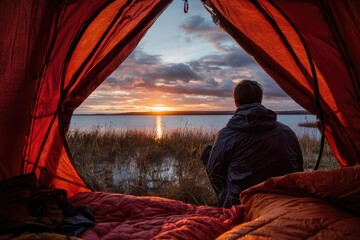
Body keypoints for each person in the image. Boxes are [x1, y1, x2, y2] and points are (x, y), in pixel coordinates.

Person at [202, 80, 303, 208]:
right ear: (260, 100)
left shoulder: (226, 135)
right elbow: (299, 170)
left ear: (236, 103)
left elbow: (215, 173)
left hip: (241, 203)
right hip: (283, 201)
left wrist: (226, 191)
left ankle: (225, 200)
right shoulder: (287, 132)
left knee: (208, 152)